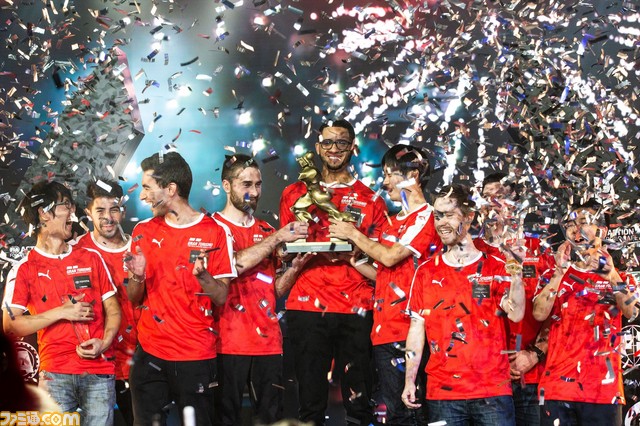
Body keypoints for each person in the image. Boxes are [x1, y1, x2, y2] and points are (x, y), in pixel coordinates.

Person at [279, 119, 388, 425]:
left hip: (356, 306)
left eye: (341, 142)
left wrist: (356, 245)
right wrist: (297, 244)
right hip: (307, 305)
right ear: (318, 148)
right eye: (327, 142)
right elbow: (282, 250)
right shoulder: (294, 193)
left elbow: (381, 257)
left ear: (352, 148)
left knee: (359, 404)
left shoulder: (372, 199)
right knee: (310, 404)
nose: (334, 149)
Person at [328, 144, 441, 425]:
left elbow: (390, 257)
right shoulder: (392, 222)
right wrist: (355, 261)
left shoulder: (427, 216)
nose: (385, 181)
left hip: (413, 331)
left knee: (413, 413)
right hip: (384, 331)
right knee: (394, 413)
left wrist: (353, 233)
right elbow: (386, 275)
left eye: (390, 174)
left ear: (413, 175)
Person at [124, 152, 236, 426]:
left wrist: (204, 277)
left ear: (171, 189)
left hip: (195, 356)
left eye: (148, 187)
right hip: (149, 354)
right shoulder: (142, 231)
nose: (143, 196)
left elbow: (221, 296)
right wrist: (137, 276)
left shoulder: (216, 231)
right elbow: (133, 297)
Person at [402, 184, 526, 426]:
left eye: (449, 215)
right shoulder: (426, 271)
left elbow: (516, 314)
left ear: (468, 217)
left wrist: (517, 275)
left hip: (492, 391)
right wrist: (409, 380)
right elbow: (416, 329)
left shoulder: (496, 266)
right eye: (438, 216)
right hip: (443, 393)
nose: (441, 223)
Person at [2, 181, 121, 426]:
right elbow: (10, 325)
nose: (72, 212)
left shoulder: (92, 257)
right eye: (65, 205)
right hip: (55, 375)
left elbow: (113, 310)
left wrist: (105, 342)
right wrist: (62, 312)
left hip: (99, 373)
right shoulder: (24, 268)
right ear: (44, 213)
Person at [213, 154, 310, 425]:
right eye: (246, 184)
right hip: (226, 343)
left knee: (271, 420)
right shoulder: (212, 228)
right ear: (226, 185)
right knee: (224, 420)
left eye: (258, 184)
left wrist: (294, 269)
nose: (254, 192)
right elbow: (232, 265)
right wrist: (277, 237)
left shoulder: (266, 229)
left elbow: (273, 291)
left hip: (268, 344)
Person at [532, 199, 638, 426]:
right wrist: (559, 273)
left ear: (602, 230)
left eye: (583, 222)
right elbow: (539, 314)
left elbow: (633, 312)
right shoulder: (554, 273)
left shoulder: (622, 278)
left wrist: (611, 276)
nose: (576, 229)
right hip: (557, 390)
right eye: (571, 224)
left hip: (604, 392)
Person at [475, 172, 555, 426]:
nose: (492, 205)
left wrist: (535, 354)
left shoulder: (539, 250)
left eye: (499, 197)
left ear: (515, 204)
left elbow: (559, 312)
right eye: (486, 198)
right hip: (484, 380)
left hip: (530, 376)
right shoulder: (471, 252)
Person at [73, 179, 137, 426]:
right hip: (95, 362)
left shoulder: (140, 246)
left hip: (138, 361)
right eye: (100, 210)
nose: (108, 217)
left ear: (123, 210)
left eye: (114, 209)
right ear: (88, 213)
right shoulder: (77, 251)